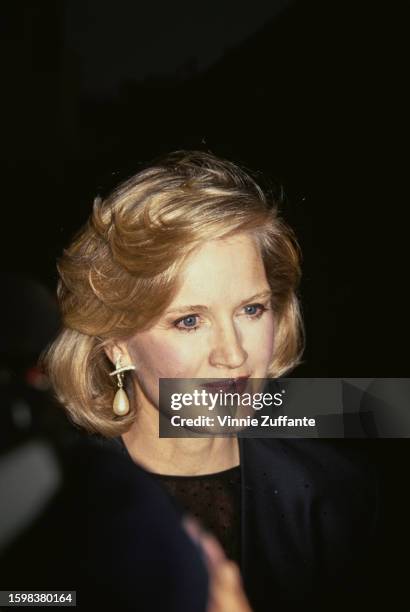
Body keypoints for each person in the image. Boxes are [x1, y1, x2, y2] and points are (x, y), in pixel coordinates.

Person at [43, 150, 378, 611]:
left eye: (251, 310)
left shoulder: (340, 498)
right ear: (117, 343)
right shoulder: (48, 515)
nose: (234, 353)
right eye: (188, 321)